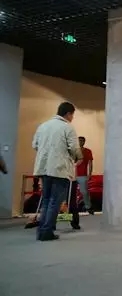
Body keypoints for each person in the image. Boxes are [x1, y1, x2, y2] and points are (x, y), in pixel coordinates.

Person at [32, 101, 82, 241]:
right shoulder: (67, 127)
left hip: (43, 168)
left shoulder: (43, 126)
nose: (72, 118)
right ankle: (47, 231)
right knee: (55, 201)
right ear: (68, 114)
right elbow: (74, 147)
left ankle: (41, 231)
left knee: (46, 200)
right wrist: (79, 157)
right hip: (59, 169)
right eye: (72, 115)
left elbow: (35, 144)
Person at [75, 136, 94, 214]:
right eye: (79, 140)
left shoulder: (88, 151)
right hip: (72, 175)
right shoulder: (74, 151)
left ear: (84, 142)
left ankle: (88, 207)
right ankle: (72, 208)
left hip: (82, 175)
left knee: (84, 191)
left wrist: (90, 174)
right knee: (71, 192)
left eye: (82, 141)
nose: (80, 142)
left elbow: (90, 163)